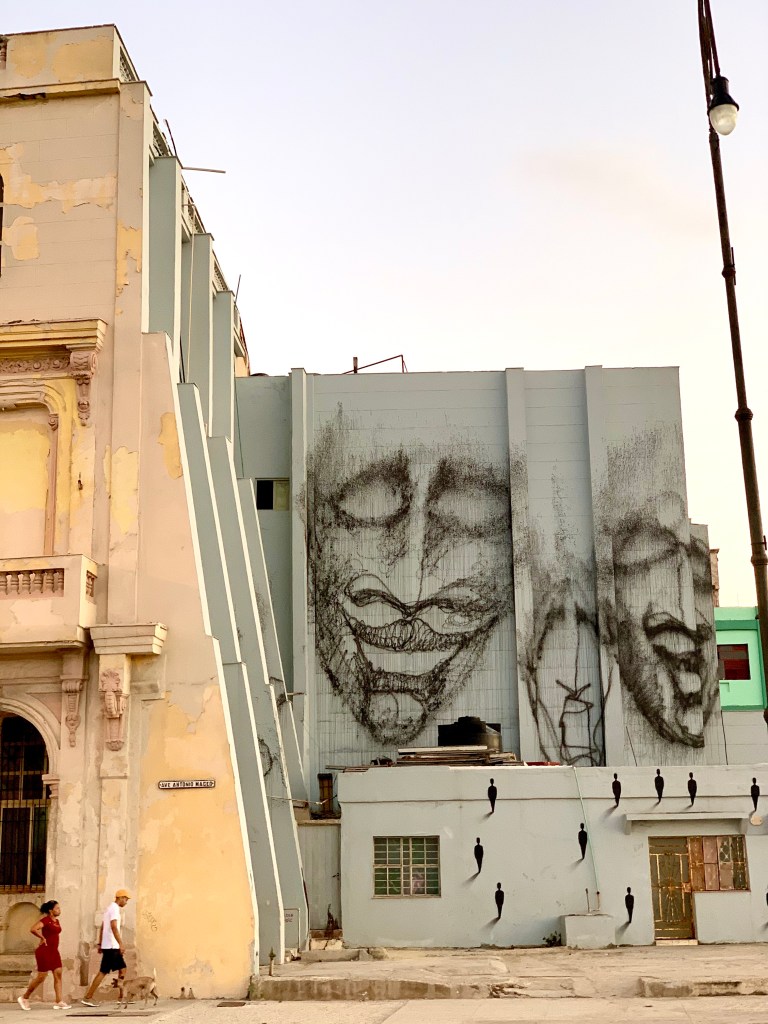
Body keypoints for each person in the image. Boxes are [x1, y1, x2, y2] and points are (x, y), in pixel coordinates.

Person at [17, 900, 70, 1011]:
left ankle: (59, 1001)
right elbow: (33, 929)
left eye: (59, 908)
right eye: (57, 908)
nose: (59, 910)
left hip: (54, 951)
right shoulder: (46, 920)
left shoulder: (57, 921)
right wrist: (42, 937)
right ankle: (24, 998)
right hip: (44, 951)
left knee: (58, 973)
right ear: (51, 911)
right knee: (41, 977)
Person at [81, 889, 131, 1007]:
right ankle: (88, 997)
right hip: (112, 946)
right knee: (104, 971)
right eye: (125, 899)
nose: (126, 902)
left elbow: (103, 927)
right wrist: (120, 943)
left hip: (109, 945)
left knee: (122, 968)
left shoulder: (109, 908)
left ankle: (121, 997)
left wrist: (100, 943)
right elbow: (113, 926)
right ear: (120, 898)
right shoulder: (114, 909)